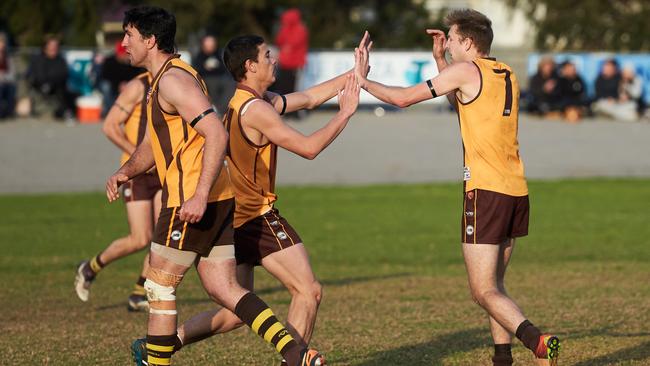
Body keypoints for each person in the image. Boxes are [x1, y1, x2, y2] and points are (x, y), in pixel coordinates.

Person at [105, 6, 324, 366]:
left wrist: (199, 195)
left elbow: (215, 133)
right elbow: (151, 145)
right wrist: (125, 171)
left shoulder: (175, 81)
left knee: (159, 287)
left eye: (129, 35)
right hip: (215, 199)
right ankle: (296, 353)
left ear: (150, 40)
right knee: (227, 291)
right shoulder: (163, 79)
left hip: (190, 199)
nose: (123, 42)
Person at [134, 33, 363, 366]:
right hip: (256, 215)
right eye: (267, 55)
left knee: (236, 312)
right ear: (250, 65)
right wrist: (345, 114)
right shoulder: (257, 110)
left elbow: (310, 98)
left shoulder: (248, 101)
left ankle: (164, 343)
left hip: (232, 215)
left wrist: (355, 75)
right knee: (308, 290)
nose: (274, 60)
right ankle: (295, 359)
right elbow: (309, 148)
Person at [353, 9, 560, 366]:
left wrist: (362, 80)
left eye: (450, 38)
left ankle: (538, 341)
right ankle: (502, 359)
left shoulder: (467, 70)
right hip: (515, 190)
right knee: (495, 288)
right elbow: (461, 102)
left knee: (482, 291)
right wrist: (439, 59)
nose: (446, 42)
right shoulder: (504, 71)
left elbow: (403, 99)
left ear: (468, 42)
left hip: (485, 191)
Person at [74, 71, 161, 312]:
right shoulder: (138, 86)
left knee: (162, 237)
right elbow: (110, 126)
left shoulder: (176, 81)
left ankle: (139, 292)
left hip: (165, 173)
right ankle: (90, 268)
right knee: (140, 238)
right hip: (136, 174)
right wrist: (139, 156)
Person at [26, 35, 76, 120]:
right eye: (51, 46)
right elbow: (38, 76)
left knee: (70, 92)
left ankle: (66, 112)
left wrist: (54, 81)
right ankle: (60, 112)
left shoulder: (60, 60)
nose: (54, 48)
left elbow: (64, 74)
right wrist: (47, 82)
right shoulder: (39, 59)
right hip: (41, 86)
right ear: (46, 47)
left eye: (56, 46)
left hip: (58, 85)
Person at [273, 8, 308, 119]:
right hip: (285, 64)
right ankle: (287, 110)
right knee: (285, 89)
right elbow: (279, 41)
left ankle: (296, 112)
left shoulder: (300, 29)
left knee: (295, 89)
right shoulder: (286, 28)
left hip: (296, 64)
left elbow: (293, 42)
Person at [97, 41, 145, 116]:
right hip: (113, 86)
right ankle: (111, 111)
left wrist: (128, 84)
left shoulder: (131, 62)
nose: (125, 56)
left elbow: (137, 75)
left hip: (128, 85)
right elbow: (106, 76)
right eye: (123, 54)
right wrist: (118, 85)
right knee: (106, 86)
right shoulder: (109, 61)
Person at [192, 34, 234, 115]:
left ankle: (222, 110)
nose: (210, 46)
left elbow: (225, 68)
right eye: (208, 44)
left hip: (221, 79)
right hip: (206, 80)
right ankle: (215, 110)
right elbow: (196, 69)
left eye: (212, 43)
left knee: (230, 83)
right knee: (211, 85)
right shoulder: (199, 56)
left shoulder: (219, 54)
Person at [0, 32, 16, 119]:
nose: (2, 45)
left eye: (3, 42)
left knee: (12, 87)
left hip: (6, 80)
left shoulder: (8, 57)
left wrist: (5, 77)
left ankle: (9, 111)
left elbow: (12, 72)